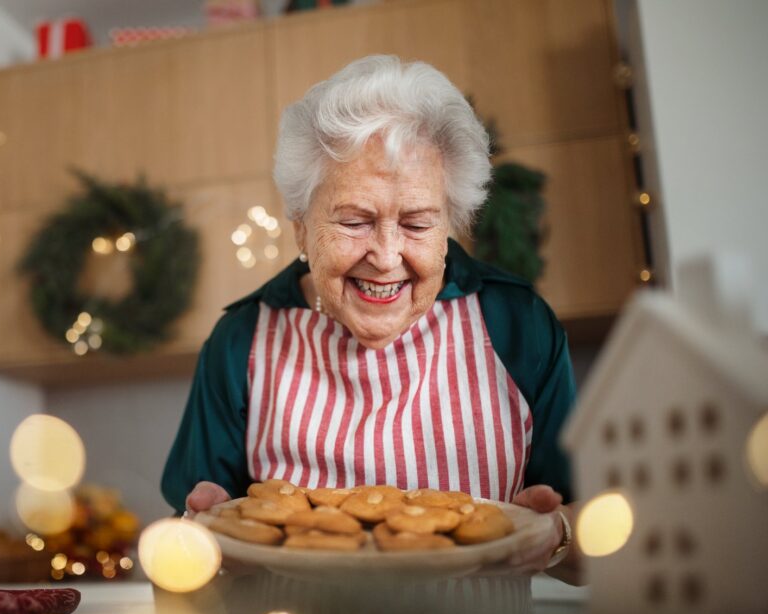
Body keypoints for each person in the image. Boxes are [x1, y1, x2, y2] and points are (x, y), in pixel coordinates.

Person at [161, 55, 579, 580]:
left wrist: (560, 534)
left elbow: (607, 534)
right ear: (300, 229)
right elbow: (186, 548)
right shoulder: (241, 341)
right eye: (355, 221)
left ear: (449, 223)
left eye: (417, 223)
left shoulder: (518, 325)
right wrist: (204, 543)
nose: (385, 255)